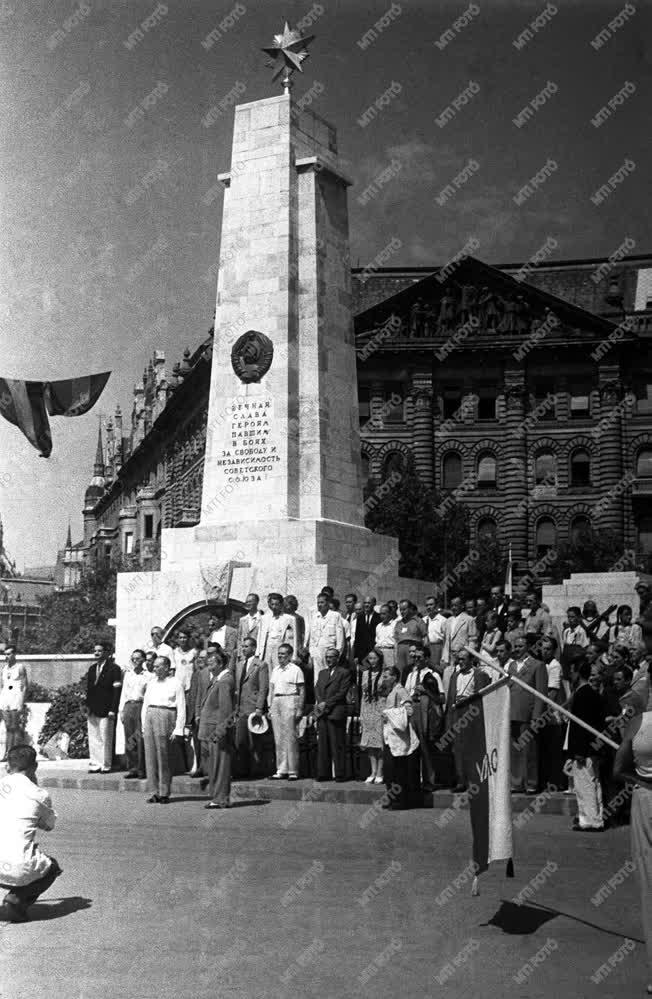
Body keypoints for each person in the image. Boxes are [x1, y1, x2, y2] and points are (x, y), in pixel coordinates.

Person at [613, 696, 652, 992]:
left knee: (650, 884)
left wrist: (642, 781)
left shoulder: (639, 722)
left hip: (646, 798)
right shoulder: (639, 721)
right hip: (646, 797)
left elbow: (619, 770)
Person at [0, 745, 63, 922]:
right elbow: (49, 825)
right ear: (34, 767)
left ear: (7, 767)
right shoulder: (39, 794)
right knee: (52, 868)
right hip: (16, 866)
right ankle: (16, 901)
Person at [141, 655, 186, 804]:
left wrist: (179, 728)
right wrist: (143, 725)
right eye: (154, 666)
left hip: (166, 715)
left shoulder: (175, 683)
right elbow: (146, 704)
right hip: (150, 716)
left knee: (164, 756)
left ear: (167, 667)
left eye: (158, 666)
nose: (155, 669)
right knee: (151, 756)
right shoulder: (152, 683)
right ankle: (154, 791)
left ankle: (164, 792)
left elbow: (181, 706)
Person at [567, 660, 606, 831]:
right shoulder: (590, 692)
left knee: (585, 784)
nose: (569, 675)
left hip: (585, 749)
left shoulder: (583, 694)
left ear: (577, 672)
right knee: (593, 782)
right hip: (593, 747)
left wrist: (579, 751)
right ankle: (595, 816)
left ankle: (590, 820)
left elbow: (581, 725)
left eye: (571, 671)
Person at [445, 649, 491, 792]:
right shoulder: (455, 676)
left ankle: (475, 779)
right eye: (458, 659)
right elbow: (450, 699)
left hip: (472, 713)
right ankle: (461, 780)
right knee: (458, 749)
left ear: (471, 660)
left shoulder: (480, 674)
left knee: (473, 748)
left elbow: (483, 697)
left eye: (463, 659)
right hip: (456, 712)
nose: (460, 662)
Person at [507, 634, 548, 794]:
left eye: (520, 646)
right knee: (515, 750)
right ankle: (516, 783)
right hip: (512, 713)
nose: (516, 649)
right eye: (515, 646)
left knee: (529, 751)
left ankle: (531, 783)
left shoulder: (538, 666)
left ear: (528, 647)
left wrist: (537, 716)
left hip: (529, 714)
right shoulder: (511, 666)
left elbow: (541, 693)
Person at [404, 645, 445, 792]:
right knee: (413, 747)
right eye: (414, 657)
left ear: (427, 658)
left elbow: (442, 698)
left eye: (419, 657)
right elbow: (406, 693)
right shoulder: (410, 675)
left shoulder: (433, 675)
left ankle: (430, 781)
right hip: (412, 710)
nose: (416, 660)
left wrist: (426, 691)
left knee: (426, 746)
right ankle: (414, 781)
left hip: (426, 711)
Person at [380, 665, 421, 810]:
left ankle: (400, 801)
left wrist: (390, 714)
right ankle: (391, 798)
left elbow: (409, 709)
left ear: (394, 677)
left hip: (399, 737)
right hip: (389, 735)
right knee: (389, 770)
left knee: (398, 770)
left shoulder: (400, 690)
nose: (384, 679)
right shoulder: (391, 691)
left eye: (386, 676)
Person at [198, 647, 235, 809]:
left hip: (217, 731)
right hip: (210, 730)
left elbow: (225, 710)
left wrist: (221, 731)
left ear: (220, 664)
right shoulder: (218, 680)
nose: (209, 667)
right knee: (214, 765)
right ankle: (217, 796)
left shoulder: (225, 680)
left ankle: (221, 798)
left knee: (221, 765)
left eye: (212, 663)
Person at [313, 646, 351, 782]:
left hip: (336, 711)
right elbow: (317, 688)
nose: (328, 659)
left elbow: (342, 692)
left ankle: (340, 774)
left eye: (331, 657)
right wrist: (320, 703)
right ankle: (323, 773)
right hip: (323, 713)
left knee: (337, 744)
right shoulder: (322, 673)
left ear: (337, 658)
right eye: (327, 657)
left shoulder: (344, 672)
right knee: (323, 744)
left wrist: (326, 704)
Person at [233, 636, 268, 779]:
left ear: (253, 648)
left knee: (254, 740)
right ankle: (242, 770)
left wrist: (259, 707)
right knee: (240, 740)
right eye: (243, 646)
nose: (243, 648)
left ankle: (256, 770)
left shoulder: (261, 665)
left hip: (253, 707)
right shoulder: (239, 665)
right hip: (240, 708)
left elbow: (263, 688)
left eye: (246, 646)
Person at [85, 641, 122, 774]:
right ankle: (95, 764)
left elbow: (116, 691)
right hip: (93, 709)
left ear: (107, 653)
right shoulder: (91, 669)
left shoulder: (114, 669)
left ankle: (106, 765)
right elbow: (89, 689)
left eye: (99, 651)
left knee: (105, 738)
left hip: (107, 709)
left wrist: (113, 709)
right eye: (95, 651)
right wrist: (87, 707)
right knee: (94, 737)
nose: (96, 653)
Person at [269, 643, 304, 780]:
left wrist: (300, 708)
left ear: (289, 655)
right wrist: (270, 706)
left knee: (290, 737)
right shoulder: (275, 670)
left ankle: (293, 770)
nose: (280, 656)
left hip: (290, 700)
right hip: (277, 701)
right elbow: (271, 690)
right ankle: (281, 769)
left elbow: (302, 689)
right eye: (279, 653)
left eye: (283, 654)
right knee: (278, 737)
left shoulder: (296, 670)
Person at [118, 649, 149, 779]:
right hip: (128, 706)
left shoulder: (148, 676)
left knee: (140, 738)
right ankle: (132, 768)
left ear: (143, 660)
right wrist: (121, 711)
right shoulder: (128, 675)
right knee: (130, 738)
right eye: (133, 659)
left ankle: (142, 769)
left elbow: (148, 695)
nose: (135, 661)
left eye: (138, 659)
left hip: (141, 705)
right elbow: (123, 693)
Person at [358, 650, 386, 784]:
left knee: (379, 742)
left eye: (374, 658)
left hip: (380, 708)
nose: (372, 661)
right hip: (368, 708)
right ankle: (373, 771)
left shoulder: (384, 674)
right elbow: (363, 695)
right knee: (369, 742)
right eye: (370, 658)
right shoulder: (364, 674)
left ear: (379, 659)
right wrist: (362, 713)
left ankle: (380, 771)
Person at [441, 597, 477, 695]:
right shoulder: (448, 621)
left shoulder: (469, 620)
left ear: (462, 606)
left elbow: (472, 639)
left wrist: (469, 655)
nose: (453, 608)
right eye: (452, 605)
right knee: (448, 683)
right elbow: (446, 641)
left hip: (463, 655)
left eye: (456, 605)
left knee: (462, 682)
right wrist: (444, 658)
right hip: (451, 657)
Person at [305, 593, 345, 674]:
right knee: (317, 675)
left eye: (322, 602)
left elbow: (340, 637)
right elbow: (312, 637)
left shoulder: (335, 616)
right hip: (317, 652)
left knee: (330, 674)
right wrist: (311, 653)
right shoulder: (315, 617)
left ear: (328, 603)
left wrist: (337, 653)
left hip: (330, 650)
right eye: (318, 603)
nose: (319, 605)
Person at [0, 646, 28, 761]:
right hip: (5, 698)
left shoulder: (20, 667)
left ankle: (14, 755)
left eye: (9, 654)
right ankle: (7, 753)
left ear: (14, 654)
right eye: (5, 654)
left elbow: (25, 685)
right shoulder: (4, 668)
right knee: (7, 727)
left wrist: (21, 701)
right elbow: (2, 685)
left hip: (16, 698)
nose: (7, 656)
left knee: (14, 726)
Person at [256, 593, 295, 672]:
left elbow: (293, 639)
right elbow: (260, 636)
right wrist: (258, 653)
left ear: (281, 604)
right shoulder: (264, 618)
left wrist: (293, 656)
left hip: (280, 646)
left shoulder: (289, 619)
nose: (274, 607)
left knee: (279, 670)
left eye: (277, 604)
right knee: (267, 670)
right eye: (272, 604)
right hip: (267, 647)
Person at [394, 600, 428, 686]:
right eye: (400, 609)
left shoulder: (418, 621)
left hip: (413, 649)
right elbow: (396, 639)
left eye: (404, 609)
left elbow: (425, 637)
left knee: (412, 670)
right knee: (400, 671)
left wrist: (423, 652)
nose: (402, 612)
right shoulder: (398, 623)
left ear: (410, 609)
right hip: (400, 650)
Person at [353, 596, 380, 664]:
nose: (366, 605)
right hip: (362, 653)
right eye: (365, 603)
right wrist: (356, 655)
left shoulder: (378, 617)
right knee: (363, 673)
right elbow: (357, 637)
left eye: (369, 603)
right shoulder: (360, 618)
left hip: (374, 652)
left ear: (374, 604)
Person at [424, 595, 447, 674]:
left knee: (436, 670)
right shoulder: (424, 620)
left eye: (431, 604)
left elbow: (446, 639)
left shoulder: (443, 620)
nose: (429, 607)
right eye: (427, 605)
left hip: (437, 648)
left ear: (436, 606)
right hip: (426, 647)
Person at [374, 603, 397, 669]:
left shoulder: (395, 625)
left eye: (384, 614)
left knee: (389, 672)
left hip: (390, 652)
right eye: (380, 614)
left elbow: (396, 642)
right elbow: (377, 640)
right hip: (379, 652)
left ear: (390, 613)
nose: (381, 616)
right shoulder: (378, 626)